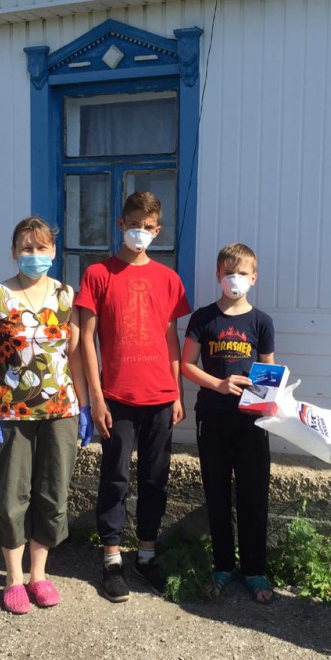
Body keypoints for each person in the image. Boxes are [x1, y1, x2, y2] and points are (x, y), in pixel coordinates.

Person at [0, 216, 92, 614]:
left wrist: (85, 405)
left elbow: (74, 356)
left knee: (52, 493)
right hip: (11, 413)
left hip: (61, 412)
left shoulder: (66, 296)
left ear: (53, 252)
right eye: (26, 248)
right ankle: (13, 578)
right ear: (13, 252)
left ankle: (38, 575)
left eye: (41, 248)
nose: (34, 254)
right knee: (12, 496)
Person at [76, 191, 190, 601]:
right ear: (120, 225)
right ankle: (111, 559)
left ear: (158, 231)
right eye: (134, 225)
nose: (141, 232)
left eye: (149, 227)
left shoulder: (168, 279)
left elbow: (171, 339)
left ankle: (146, 556)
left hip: (160, 396)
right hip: (117, 396)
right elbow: (86, 341)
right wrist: (96, 397)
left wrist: (177, 393)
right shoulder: (98, 274)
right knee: (115, 478)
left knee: (155, 479)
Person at [181, 243, 276, 603]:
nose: (235, 279)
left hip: (251, 421)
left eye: (242, 273)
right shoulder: (203, 318)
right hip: (212, 416)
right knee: (217, 492)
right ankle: (222, 565)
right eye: (228, 273)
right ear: (218, 276)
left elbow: (268, 370)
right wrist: (219, 385)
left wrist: (270, 397)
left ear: (254, 277)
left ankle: (254, 570)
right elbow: (186, 365)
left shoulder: (261, 322)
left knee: (254, 493)